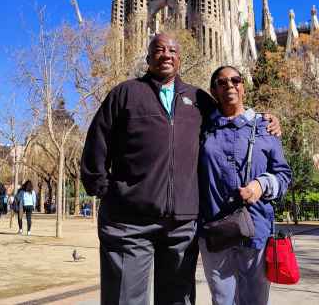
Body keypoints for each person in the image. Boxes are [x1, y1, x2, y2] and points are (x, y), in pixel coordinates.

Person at [81, 33, 281, 305]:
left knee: (178, 299)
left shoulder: (198, 99)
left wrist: (265, 120)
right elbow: (97, 143)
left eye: (172, 50)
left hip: (181, 225)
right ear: (148, 57)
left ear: (180, 59)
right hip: (130, 220)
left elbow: (231, 119)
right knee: (124, 298)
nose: (166, 55)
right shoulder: (126, 93)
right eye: (159, 50)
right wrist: (107, 191)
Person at [198, 66, 292, 305]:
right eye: (222, 82)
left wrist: (261, 185)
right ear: (213, 90)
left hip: (256, 230)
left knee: (255, 301)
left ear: (243, 87)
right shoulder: (201, 128)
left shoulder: (264, 126)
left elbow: (283, 175)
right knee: (222, 301)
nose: (229, 85)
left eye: (235, 80)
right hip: (215, 230)